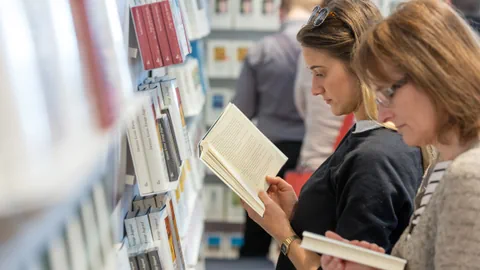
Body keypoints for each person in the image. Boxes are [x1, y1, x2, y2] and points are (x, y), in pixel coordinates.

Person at [241, 0, 426, 269]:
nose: (315, 89)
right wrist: (297, 212)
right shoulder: (366, 137)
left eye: (321, 73)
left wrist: (282, 233)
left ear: (358, 65)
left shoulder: (374, 158)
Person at [321, 1, 480, 269]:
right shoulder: (442, 163)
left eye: (388, 93)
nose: (384, 116)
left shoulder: (468, 175)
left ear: (433, 75)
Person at [232, 0, 317, 257]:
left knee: (257, 224)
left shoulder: (262, 50)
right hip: (306, 151)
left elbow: (242, 109)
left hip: (266, 150)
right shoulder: (320, 51)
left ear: (281, 11)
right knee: (302, 229)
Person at [294, 55, 346, 171]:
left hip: (313, 161)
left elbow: (300, 103)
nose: (315, 90)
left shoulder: (307, 53)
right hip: (344, 167)